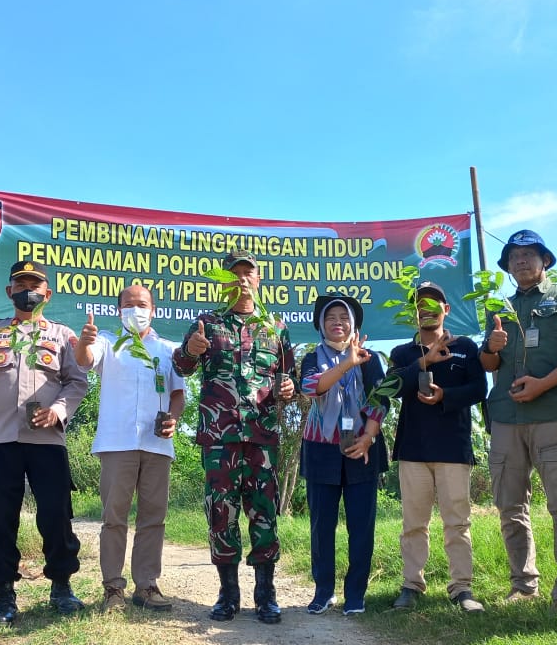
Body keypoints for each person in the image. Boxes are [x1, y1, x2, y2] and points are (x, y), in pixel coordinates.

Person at [0, 260, 89, 621]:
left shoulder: (61, 335)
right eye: (21, 285)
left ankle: (61, 587)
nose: (29, 291)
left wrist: (58, 409)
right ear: (9, 292)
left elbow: (77, 381)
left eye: (35, 285)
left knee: (56, 513)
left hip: (47, 441)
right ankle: (3, 595)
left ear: (47, 293)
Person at [173, 251, 296, 624]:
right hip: (219, 438)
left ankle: (266, 594)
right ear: (223, 282)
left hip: (261, 438)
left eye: (248, 273)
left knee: (264, 513)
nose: (242, 279)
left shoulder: (275, 326)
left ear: (259, 280)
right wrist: (190, 351)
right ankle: (228, 594)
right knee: (220, 514)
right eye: (234, 274)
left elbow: (286, 380)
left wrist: (287, 389)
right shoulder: (206, 324)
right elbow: (182, 366)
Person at [480, 230, 557, 614]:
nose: (521, 261)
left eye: (530, 254)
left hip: (554, 414)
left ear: (545, 260)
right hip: (505, 419)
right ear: (507, 265)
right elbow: (488, 365)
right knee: (510, 506)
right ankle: (523, 584)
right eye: (514, 256)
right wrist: (491, 349)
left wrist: (542, 385)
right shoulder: (498, 307)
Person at [75, 285, 186, 612]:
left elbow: (178, 394)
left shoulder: (168, 350)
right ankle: (113, 590)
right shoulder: (109, 343)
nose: (135, 310)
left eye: (142, 304)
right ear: (119, 310)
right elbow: (85, 359)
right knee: (114, 517)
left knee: (154, 516)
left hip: (157, 445)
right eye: (128, 305)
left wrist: (174, 420)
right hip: (117, 443)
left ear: (154, 310)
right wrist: (83, 342)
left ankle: (147, 586)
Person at [388, 282, 488, 612]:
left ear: (446, 309)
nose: (427, 309)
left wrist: (447, 396)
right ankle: (411, 585)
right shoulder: (402, 353)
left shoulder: (466, 347)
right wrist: (424, 361)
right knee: (413, 523)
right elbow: (390, 388)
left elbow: (478, 388)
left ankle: (462, 588)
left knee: (457, 522)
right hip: (413, 448)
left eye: (435, 303)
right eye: (420, 304)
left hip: (453, 448)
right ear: (414, 312)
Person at [298, 295, 389, 616]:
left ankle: (355, 594)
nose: (338, 322)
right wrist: (346, 363)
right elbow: (312, 388)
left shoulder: (371, 358)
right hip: (321, 450)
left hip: (362, 449)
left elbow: (381, 400)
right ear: (321, 325)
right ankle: (323, 591)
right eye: (330, 317)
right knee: (322, 526)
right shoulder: (312, 358)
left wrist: (367, 438)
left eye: (344, 317)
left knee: (361, 526)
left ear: (354, 325)